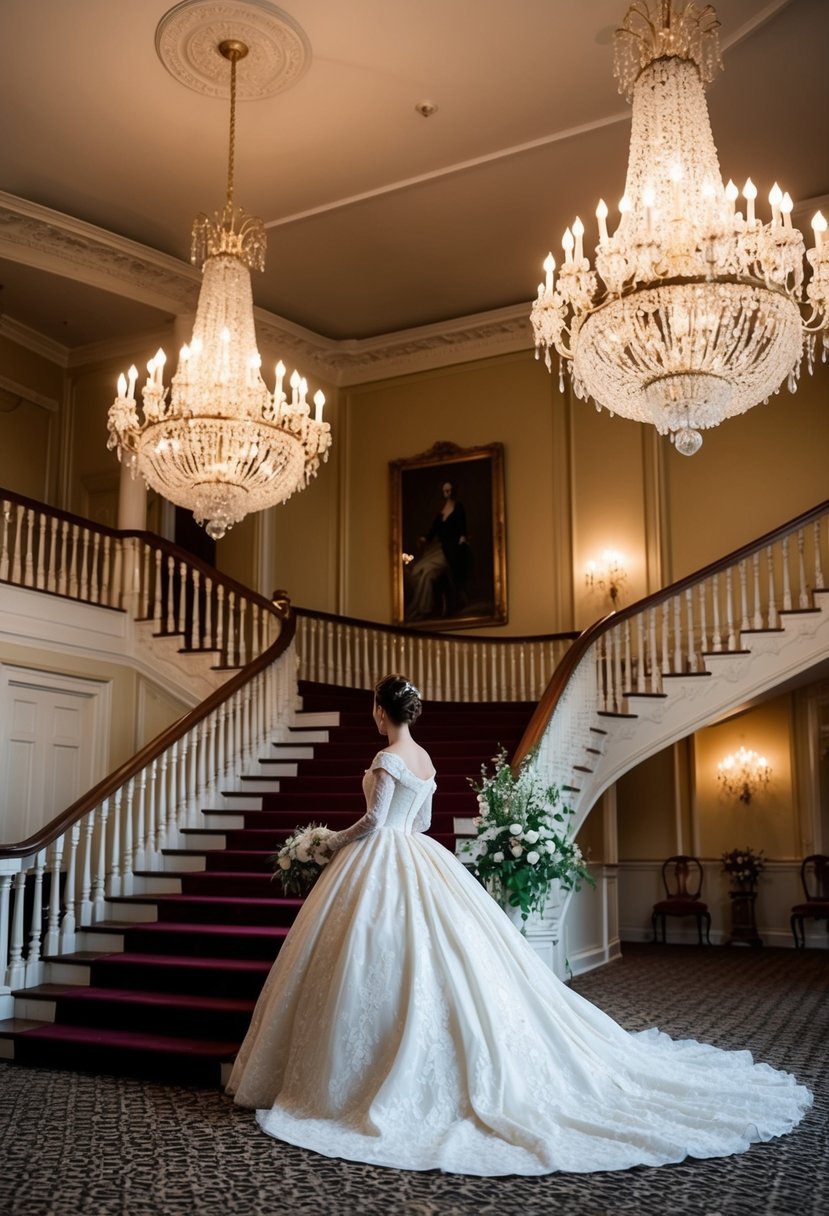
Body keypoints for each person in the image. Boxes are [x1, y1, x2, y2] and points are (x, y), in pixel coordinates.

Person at [227, 675, 812, 1176]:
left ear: (381, 711)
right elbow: (423, 822)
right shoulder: (425, 760)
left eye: (375, 707)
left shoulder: (384, 759)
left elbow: (376, 823)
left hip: (381, 859)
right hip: (421, 859)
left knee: (370, 959)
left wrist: (328, 840)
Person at [404, 480, 469, 620]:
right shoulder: (441, 513)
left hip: (451, 549)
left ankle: (424, 607)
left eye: (449, 490)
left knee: (427, 571)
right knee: (420, 572)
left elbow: (463, 527)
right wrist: (424, 538)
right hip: (439, 548)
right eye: (445, 491)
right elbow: (432, 532)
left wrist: (462, 538)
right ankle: (421, 608)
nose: (447, 493)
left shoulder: (458, 507)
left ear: (453, 491)